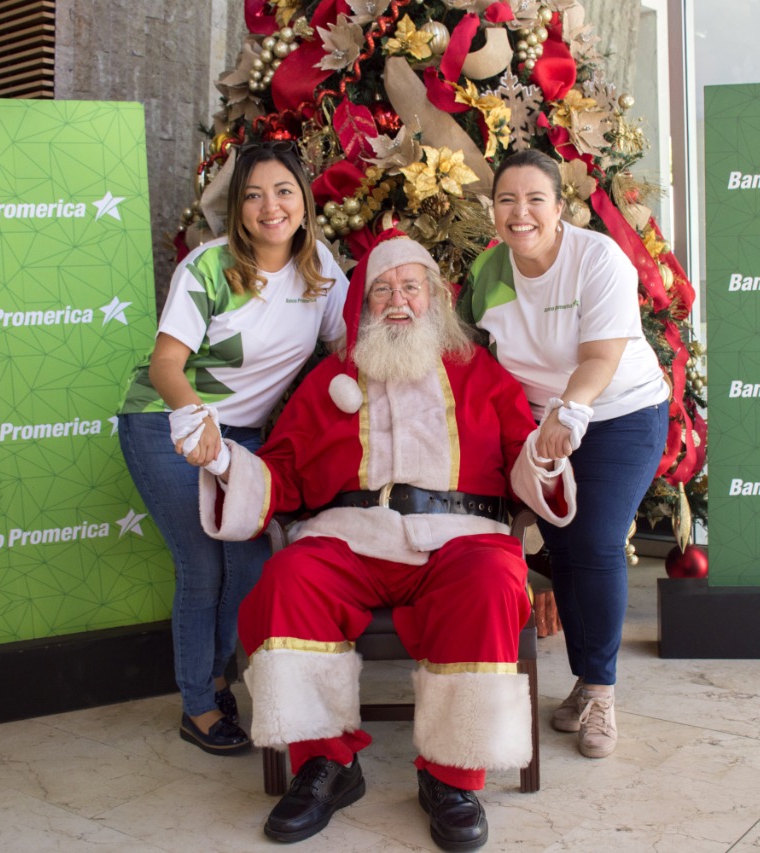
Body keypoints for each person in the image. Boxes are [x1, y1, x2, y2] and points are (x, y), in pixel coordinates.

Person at [198, 235, 575, 850]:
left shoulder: (482, 374)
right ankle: (327, 765)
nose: (397, 301)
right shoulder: (331, 379)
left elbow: (522, 461)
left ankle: (453, 778)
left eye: (410, 287)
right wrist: (224, 466)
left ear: (435, 298)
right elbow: (285, 470)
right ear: (364, 306)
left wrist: (549, 459)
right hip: (350, 536)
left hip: (462, 537)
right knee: (286, 582)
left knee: (491, 584)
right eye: (382, 289)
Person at [116, 141, 348, 756]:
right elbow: (167, 364)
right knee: (202, 564)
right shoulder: (208, 266)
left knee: (247, 566)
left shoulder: (321, 271)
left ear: (304, 200)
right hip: (167, 422)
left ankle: (220, 678)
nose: (269, 207)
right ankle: (199, 702)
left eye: (283, 192)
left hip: (244, 441)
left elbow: (354, 347)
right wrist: (193, 417)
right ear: (239, 207)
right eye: (253, 195)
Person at [459, 149, 670, 760]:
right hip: (539, 427)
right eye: (506, 200)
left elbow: (600, 357)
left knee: (598, 540)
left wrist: (569, 411)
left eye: (534, 200)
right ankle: (584, 679)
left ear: (560, 208)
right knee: (566, 546)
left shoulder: (596, 257)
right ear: (492, 209)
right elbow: (475, 359)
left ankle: (602, 691)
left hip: (619, 412)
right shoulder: (488, 273)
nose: (519, 213)